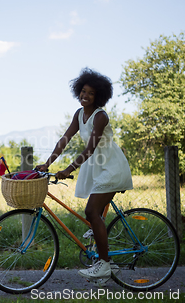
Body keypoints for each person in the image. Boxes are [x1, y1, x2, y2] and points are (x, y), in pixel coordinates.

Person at [35, 68, 133, 281]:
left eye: (90, 93)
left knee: (91, 211)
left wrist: (69, 169)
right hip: (97, 168)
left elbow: (90, 148)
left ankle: (104, 265)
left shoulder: (100, 116)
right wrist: (47, 163)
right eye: (82, 91)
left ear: (98, 96)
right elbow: (65, 139)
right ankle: (108, 265)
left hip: (112, 167)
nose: (84, 96)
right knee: (94, 216)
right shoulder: (79, 114)